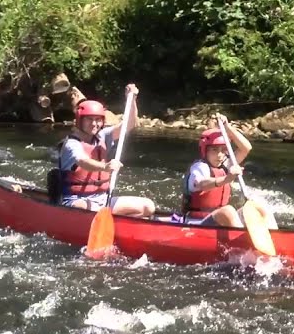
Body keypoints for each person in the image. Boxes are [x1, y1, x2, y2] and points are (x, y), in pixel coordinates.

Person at [53, 83, 156, 218]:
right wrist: (105, 166)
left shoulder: (103, 136)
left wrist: (132, 99)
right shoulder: (72, 144)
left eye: (98, 120)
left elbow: (129, 124)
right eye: (89, 119)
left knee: (148, 207)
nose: (94, 124)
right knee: (97, 212)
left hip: (103, 199)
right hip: (75, 200)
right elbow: (83, 161)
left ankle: (118, 228)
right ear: (79, 120)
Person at [181, 115, 278, 229]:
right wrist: (227, 179)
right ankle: (241, 240)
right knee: (228, 211)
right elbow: (201, 184)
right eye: (214, 150)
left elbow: (246, 148)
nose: (219, 155)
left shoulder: (225, 164)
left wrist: (228, 128)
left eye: (223, 150)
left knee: (260, 207)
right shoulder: (199, 167)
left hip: (220, 221)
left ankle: (274, 237)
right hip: (196, 223)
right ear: (205, 150)